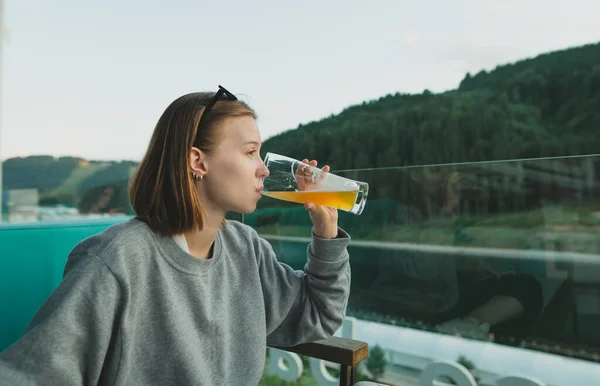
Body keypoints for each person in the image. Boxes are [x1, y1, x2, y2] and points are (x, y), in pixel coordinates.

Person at [0, 86, 352, 385]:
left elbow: (317, 316)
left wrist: (326, 232)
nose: (263, 168)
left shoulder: (246, 249)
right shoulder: (116, 260)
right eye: (249, 152)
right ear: (198, 162)